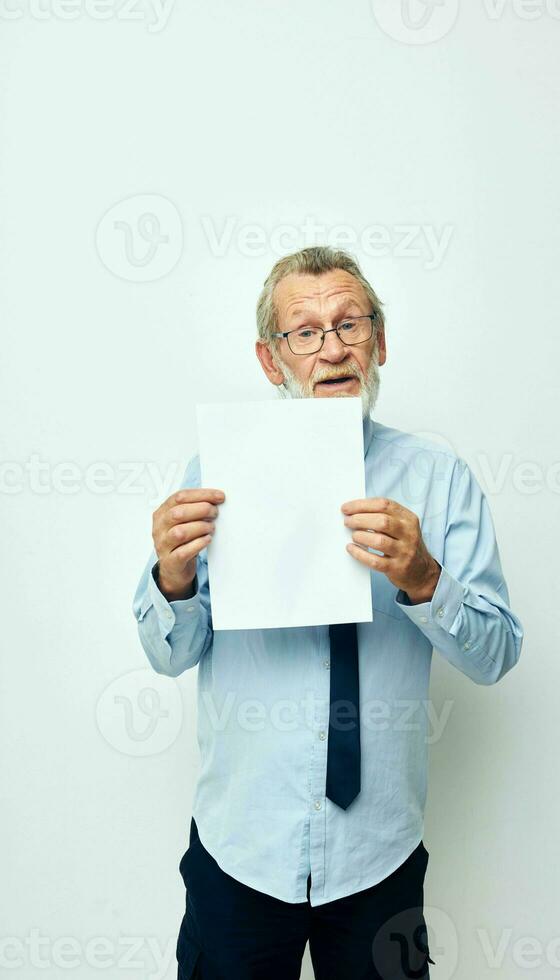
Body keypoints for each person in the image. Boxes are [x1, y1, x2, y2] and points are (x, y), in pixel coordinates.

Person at [132, 246, 524, 979]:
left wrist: (424, 579)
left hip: (379, 857)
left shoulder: (438, 480)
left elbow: (498, 652)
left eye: (350, 323)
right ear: (270, 359)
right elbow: (167, 654)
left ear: (380, 340)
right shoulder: (216, 473)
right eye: (304, 332)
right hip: (240, 850)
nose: (332, 348)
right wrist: (173, 576)